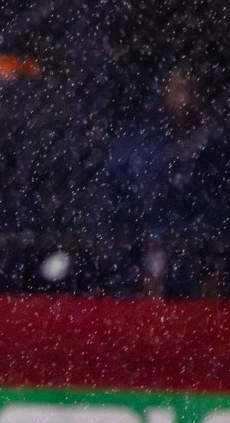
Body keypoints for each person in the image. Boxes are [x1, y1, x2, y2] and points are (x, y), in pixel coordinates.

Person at [96, 66, 228, 299]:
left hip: (196, 249)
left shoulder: (215, 148)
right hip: (148, 246)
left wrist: (211, 268)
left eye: (190, 90)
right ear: (164, 92)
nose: (184, 100)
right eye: (178, 89)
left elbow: (215, 210)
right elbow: (120, 207)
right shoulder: (141, 145)